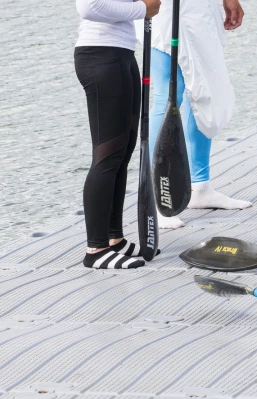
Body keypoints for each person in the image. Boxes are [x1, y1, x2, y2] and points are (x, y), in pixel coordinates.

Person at [148, 0, 251, 230]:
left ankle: (200, 187)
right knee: (169, 94)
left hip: (201, 11)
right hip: (165, 11)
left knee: (206, 90)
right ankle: (159, 198)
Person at [74, 0, 161, 268]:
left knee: (123, 152)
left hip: (121, 53)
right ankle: (95, 250)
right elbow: (89, 6)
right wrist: (141, 10)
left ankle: (115, 240)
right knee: (108, 155)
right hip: (100, 56)